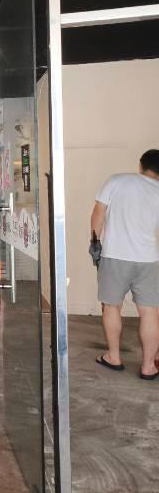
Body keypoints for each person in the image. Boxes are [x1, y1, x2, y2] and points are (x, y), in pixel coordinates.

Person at [92, 149, 159, 379]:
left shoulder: (117, 180)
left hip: (115, 256)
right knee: (150, 311)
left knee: (112, 307)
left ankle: (114, 357)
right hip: (148, 259)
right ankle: (148, 366)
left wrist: (94, 243)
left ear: (141, 165)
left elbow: (98, 214)